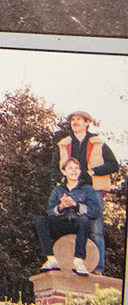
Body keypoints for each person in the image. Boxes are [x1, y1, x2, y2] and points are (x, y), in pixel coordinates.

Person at [55, 111, 119, 273]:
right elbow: (54, 169)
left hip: (93, 192)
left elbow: (114, 165)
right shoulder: (64, 144)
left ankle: (98, 268)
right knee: (70, 228)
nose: (75, 122)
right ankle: (72, 266)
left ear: (87, 123)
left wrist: (94, 171)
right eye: (72, 120)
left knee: (95, 230)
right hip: (71, 191)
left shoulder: (97, 143)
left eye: (78, 120)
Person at [35, 157, 101, 276]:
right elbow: (50, 211)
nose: (74, 171)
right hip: (61, 225)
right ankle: (51, 259)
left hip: (79, 226)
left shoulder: (87, 190)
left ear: (80, 172)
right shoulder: (57, 190)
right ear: (64, 172)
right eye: (70, 168)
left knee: (84, 219)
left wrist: (76, 206)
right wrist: (61, 206)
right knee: (40, 220)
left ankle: (79, 261)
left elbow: (95, 211)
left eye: (76, 168)